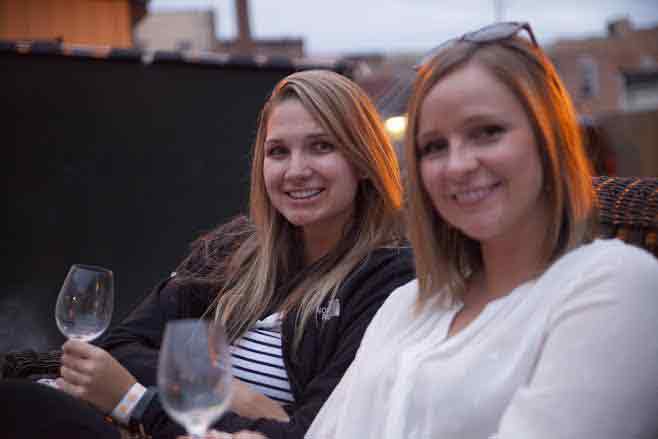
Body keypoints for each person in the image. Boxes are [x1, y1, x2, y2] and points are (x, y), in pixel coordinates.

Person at [0, 69, 414, 439]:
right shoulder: (237, 248)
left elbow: (309, 431)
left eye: (321, 147)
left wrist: (134, 400)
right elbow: (123, 344)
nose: (295, 170)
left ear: (362, 160)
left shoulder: (387, 280)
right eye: (278, 152)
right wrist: (231, 394)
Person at [306, 22, 658, 439]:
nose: (458, 165)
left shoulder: (616, 283)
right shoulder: (407, 305)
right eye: (434, 146)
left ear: (549, 139)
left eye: (487, 132)